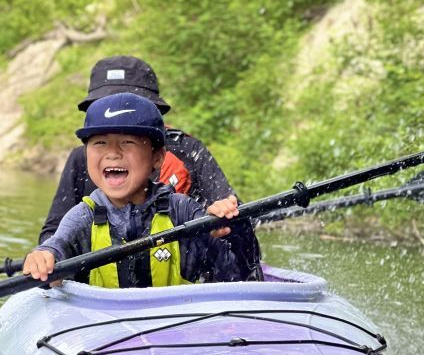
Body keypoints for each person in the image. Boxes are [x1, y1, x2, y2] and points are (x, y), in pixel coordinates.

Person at [39, 55, 263, 280]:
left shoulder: (188, 154)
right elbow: (53, 234)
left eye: (131, 110)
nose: (113, 151)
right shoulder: (83, 160)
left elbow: (231, 221)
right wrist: (51, 261)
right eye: (102, 137)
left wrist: (225, 224)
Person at [23, 93, 241, 287]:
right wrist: (44, 256)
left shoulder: (182, 210)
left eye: (127, 142)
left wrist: (220, 227)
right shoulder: (82, 217)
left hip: (173, 321)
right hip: (102, 324)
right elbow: (57, 245)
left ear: (158, 157)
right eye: (100, 143)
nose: (113, 153)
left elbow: (229, 268)